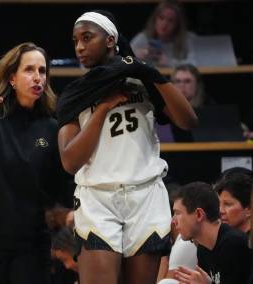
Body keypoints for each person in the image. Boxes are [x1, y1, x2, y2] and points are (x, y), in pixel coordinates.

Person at [57, 10, 197, 284]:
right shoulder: (76, 93)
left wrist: (149, 71)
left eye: (87, 38)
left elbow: (188, 121)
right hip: (98, 198)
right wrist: (103, 108)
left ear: (110, 40)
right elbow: (70, 161)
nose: (80, 47)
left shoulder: (143, 81)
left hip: (145, 195)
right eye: (75, 41)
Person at [0, 42, 73, 284]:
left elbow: (57, 186)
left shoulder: (51, 127)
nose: (37, 77)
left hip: (30, 243)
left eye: (42, 71)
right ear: (12, 77)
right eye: (29, 70)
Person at [172, 182, 251, 284]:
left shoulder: (234, 244)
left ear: (199, 214)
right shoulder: (203, 248)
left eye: (178, 213)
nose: (173, 221)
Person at [130, 0, 196, 67]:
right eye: (161, 18)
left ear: (177, 25)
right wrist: (135, 57)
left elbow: (193, 65)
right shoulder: (143, 38)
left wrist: (169, 63)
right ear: (155, 19)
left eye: (170, 21)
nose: (164, 24)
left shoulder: (184, 40)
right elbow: (123, 59)